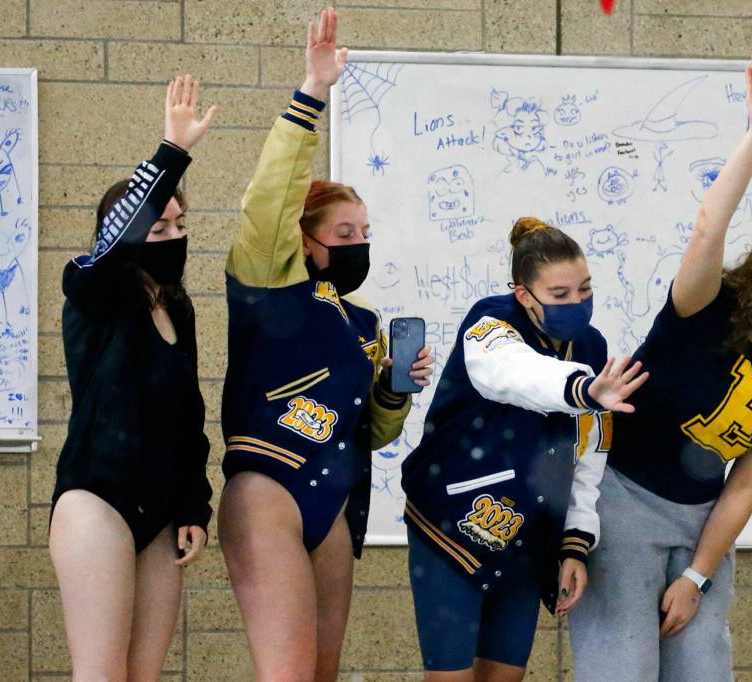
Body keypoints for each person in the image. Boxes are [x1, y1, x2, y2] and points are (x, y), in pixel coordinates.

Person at [569, 50, 752, 681]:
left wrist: (697, 573)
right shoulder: (703, 311)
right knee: (621, 668)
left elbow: (746, 480)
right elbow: (705, 230)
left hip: (701, 523)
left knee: (703, 670)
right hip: (625, 504)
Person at [216, 8, 432, 680]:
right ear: (303, 239)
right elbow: (267, 200)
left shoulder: (362, 321)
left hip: (335, 498)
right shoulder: (267, 280)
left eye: (365, 232)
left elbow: (372, 430)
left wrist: (394, 389)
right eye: (343, 234)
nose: (358, 245)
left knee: (322, 672)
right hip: (271, 487)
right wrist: (313, 92)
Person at [402, 217, 648, 681]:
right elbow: (515, 373)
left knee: (506, 675)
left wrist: (575, 543)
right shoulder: (489, 323)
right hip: (451, 524)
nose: (577, 302)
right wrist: (584, 390)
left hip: (526, 535)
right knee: (450, 677)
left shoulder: (591, 347)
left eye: (585, 288)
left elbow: (589, 452)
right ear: (523, 294)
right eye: (560, 295)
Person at [50, 74, 217, 679]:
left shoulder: (178, 308)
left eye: (179, 225)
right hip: (98, 499)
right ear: (123, 235)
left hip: (161, 508)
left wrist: (195, 505)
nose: (174, 235)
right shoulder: (94, 291)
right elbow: (118, 241)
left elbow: (188, 418)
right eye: (159, 227)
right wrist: (171, 152)